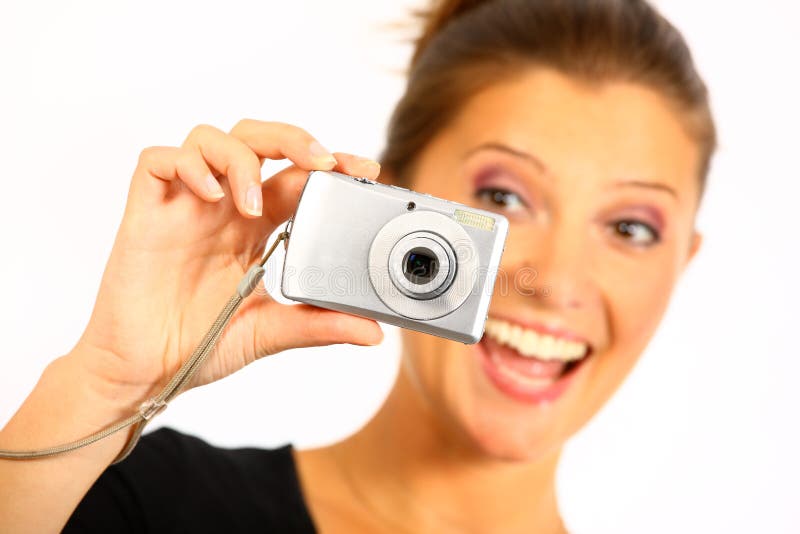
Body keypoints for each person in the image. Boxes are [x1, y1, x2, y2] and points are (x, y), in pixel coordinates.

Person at [0, 0, 716, 532]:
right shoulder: (145, 505)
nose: (556, 284)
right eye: (503, 197)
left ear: (683, 263)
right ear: (394, 199)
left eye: (631, 228)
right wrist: (105, 384)